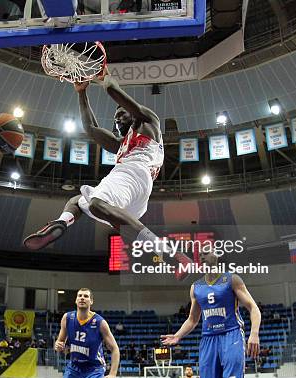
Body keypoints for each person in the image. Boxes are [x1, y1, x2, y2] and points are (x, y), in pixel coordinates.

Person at [24, 69, 191, 275]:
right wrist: (81, 92)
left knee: (96, 204)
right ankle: (61, 222)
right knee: (78, 201)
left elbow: (113, 89)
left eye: (121, 114)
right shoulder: (122, 144)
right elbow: (91, 128)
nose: (117, 119)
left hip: (132, 174)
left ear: (133, 112)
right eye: (115, 118)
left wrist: (104, 76)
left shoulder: (149, 121)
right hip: (136, 201)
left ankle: (168, 252)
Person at [161, 250, 261, 378]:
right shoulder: (196, 287)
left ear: (218, 254)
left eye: (206, 252)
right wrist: (178, 335)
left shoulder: (232, 279)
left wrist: (254, 333)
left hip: (231, 334)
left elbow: (253, 308)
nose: (202, 256)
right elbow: (192, 319)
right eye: (200, 254)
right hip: (208, 338)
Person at [54, 288, 120, 378]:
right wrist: (58, 345)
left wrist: (112, 375)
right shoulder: (67, 318)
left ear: (91, 301)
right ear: (76, 300)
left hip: (94, 368)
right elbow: (59, 343)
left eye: (86, 296)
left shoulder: (100, 322)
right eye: (79, 296)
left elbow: (115, 349)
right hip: (74, 367)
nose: (82, 298)